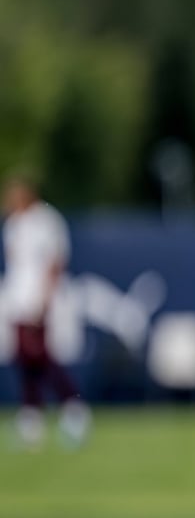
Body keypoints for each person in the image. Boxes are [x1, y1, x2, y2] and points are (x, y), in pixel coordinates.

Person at [2, 175, 90, 450]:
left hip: (39, 300)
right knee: (26, 359)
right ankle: (32, 417)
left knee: (42, 356)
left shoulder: (47, 222)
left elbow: (55, 262)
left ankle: (73, 408)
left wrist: (45, 299)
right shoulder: (13, 225)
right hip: (18, 300)